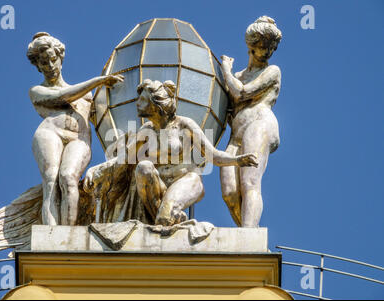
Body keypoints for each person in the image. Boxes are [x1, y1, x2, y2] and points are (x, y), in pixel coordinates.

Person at [84, 79, 258, 226]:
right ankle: (166, 218)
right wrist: (95, 171)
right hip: (159, 187)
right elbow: (122, 159)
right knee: (144, 167)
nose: (137, 103)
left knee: (165, 217)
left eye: (142, 100)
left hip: (186, 180)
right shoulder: (146, 130)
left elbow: (213, 155)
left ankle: (168, 216)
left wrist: (237, 160)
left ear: (156, 104)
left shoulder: (184, 125)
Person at [26, 32, 123, 225]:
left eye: (53, 59)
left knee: (68, 176)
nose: (50, 66)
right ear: (37, 66)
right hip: (49, 133)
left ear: (60, 58)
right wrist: (98, 81)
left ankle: (67, 236)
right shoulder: (37, 91)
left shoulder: (88, 97)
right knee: (51, 180)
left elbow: (108, 118)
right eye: (44, 63)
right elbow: (62, 96)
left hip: (79, 139)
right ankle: (51, 234)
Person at [219, 16, 282, 227]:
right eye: (264, 46)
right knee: (229, 191)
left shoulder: (272, 71)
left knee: (250, 182)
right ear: (252, 45)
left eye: (271, 47)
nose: (268, 51)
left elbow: (242, 93)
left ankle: (248, 235)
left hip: (259, 124)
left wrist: (225, 70)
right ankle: (248, 236)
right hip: (236, 134)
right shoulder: (238, 75)